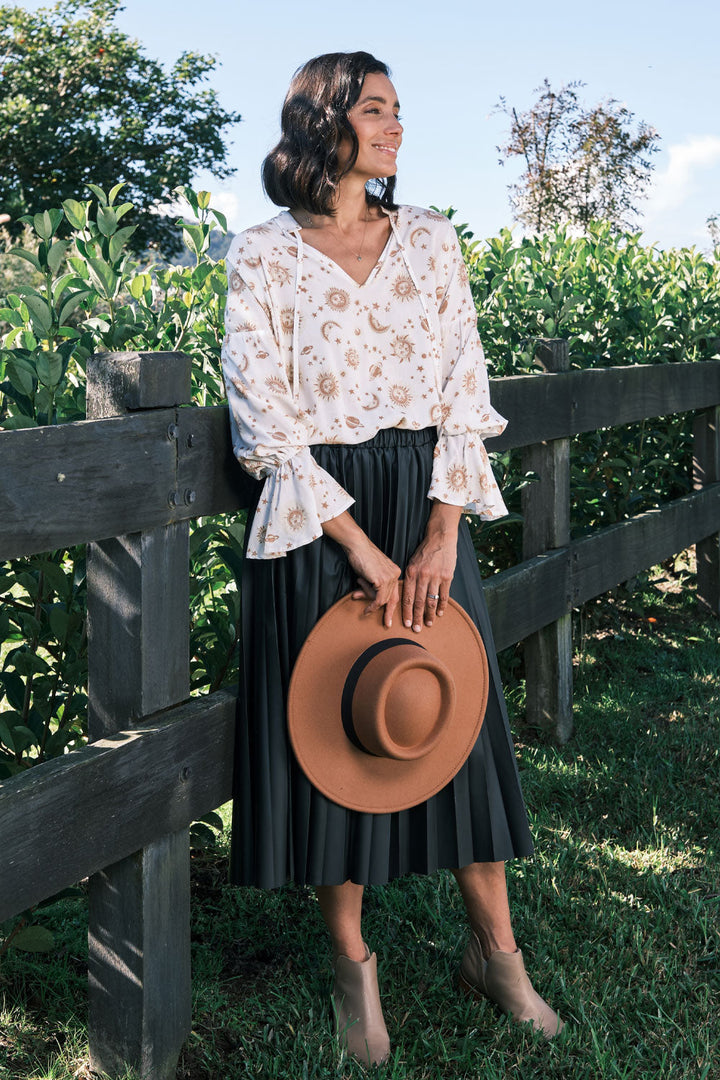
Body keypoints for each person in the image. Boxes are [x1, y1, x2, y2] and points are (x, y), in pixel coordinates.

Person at [221, 51, 563, 1065]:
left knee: (456, 722)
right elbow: (263, 416)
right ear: (324, 123)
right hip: (317, 519)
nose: (398, 127)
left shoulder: (431, 241)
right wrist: (363, 550)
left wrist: (442, 533)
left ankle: (497, 952)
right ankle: (353, 971)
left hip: (427, 505)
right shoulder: (262, 256)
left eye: (399, 111)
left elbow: (465, 385)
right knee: (341, 735)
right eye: (377, 110)